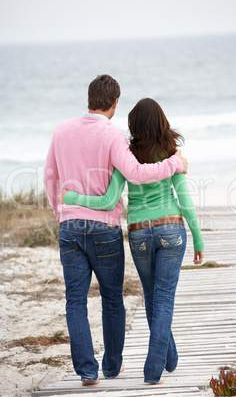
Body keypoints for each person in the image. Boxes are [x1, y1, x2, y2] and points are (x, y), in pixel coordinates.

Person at [44, 75, 187, 387]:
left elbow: (50, 179)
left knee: (75, 301)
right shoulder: (113, 136)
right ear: (114, 104)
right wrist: (174, 164)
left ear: (87, 99)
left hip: (69, 226)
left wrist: (61, 214)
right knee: (111, 298)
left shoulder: (60, 130)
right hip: (105, 229)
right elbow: (135, 173)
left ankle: (86, 371)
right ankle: (111, 366)